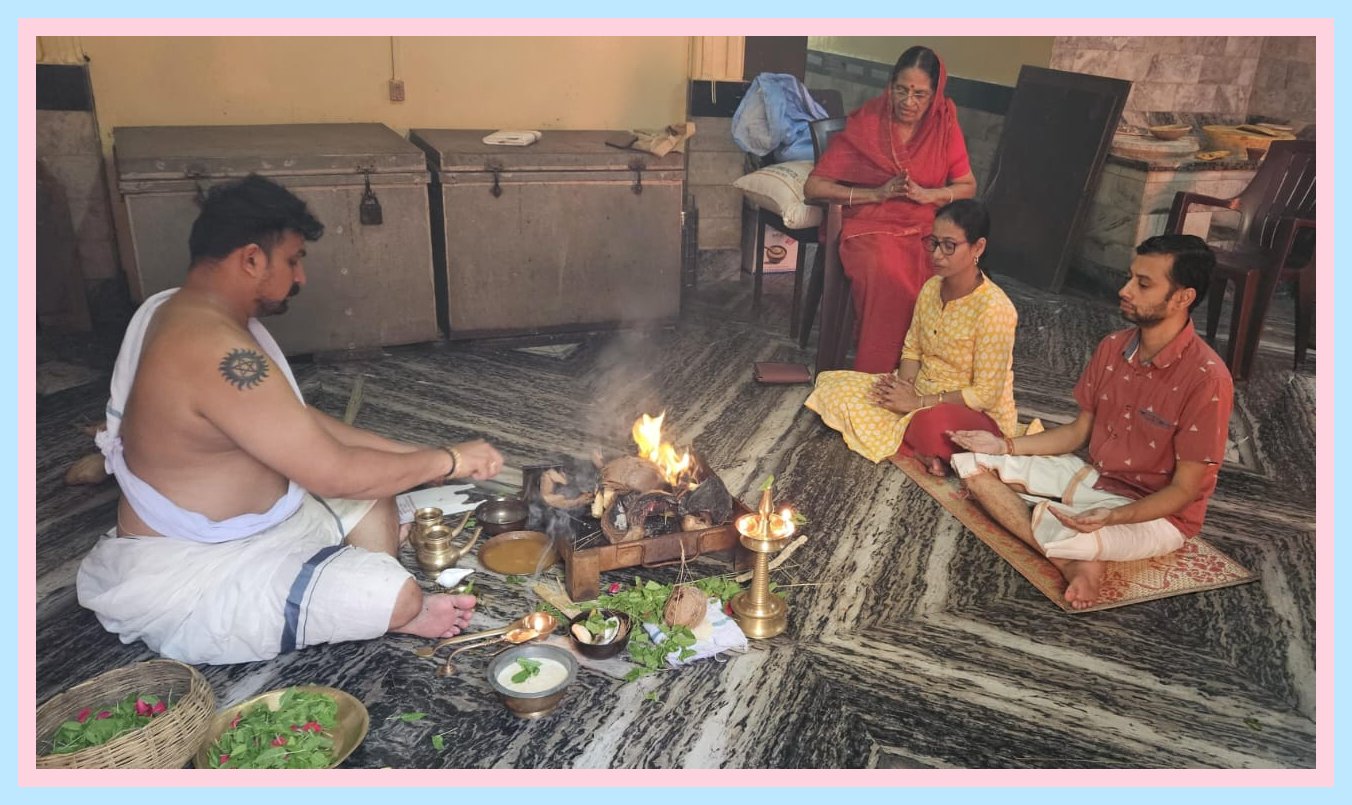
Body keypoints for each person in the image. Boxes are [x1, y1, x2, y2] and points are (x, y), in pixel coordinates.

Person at [76, 175, 504, 665]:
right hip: (203, 566)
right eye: (294, 260)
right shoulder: (217, 351)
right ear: (252, 259)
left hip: (277, 520)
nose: (300, 278)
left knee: (377, 489)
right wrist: (448, 461)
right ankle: (375, 602)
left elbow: (297, 420)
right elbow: (335, 473)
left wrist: (420, 457)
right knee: (397, 594)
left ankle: (341, 581)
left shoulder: (176, 309)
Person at [949, 234, 1233, 610]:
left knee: (1075, 534)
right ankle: (1069, 558)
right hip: (1093, 477)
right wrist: (1003, 446)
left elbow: (1183, 491)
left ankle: (1073, 551)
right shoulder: (1113, 346)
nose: (1125, 290)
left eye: (1143, 284)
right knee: (972, 464)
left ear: (1183, 298)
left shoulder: (1207, 378)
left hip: (1156, 515)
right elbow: (1077, 432)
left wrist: (1113, 517)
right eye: (1130, 277)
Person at [806, 199, 1025, 474]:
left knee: (932, 425)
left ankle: (924, 445)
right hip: (920, 394)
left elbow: (985, 395)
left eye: (949, 246)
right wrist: (903, 387)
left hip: (970, 414)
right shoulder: (932, 288)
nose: (937, 255)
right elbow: (912, 348)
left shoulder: (994, 309)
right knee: (831, 385)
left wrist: (917, 404)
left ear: (978, 248)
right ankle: (927, 452)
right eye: (933, 243)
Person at [804, 45, 978, 374]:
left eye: (920, 94)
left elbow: (968, 185)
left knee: (952, 271)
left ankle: (929, 372)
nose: (908, 102)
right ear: (890, 86)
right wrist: (875, 193)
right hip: (868, 225)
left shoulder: (943, 125)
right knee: (890, 275)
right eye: (901, 90)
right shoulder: (869, 122)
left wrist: (928, 195)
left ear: (935, 96)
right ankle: (880, 373)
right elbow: (814, 187)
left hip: (924, 225)